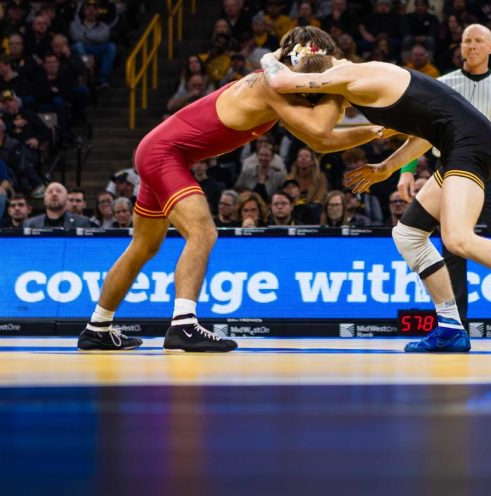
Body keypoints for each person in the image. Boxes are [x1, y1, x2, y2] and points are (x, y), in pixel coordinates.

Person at [79, 27, 383, 352]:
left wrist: (379, 130)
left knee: (143, 246)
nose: (318, 83)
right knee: (203, 233)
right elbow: (322, 132)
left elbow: (319, 140)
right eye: (318, 73)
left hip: (159, 151)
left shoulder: (281, 88)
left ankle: (97, 327)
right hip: (165, 155)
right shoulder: (272, 85)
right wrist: (345, 91)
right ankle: (183, 324)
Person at [264, 49, 491, 353]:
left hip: (469, 144)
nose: (334, 110)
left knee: (458, 238)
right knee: (408, 235)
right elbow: (425, 135)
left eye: (323, 102)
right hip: (460, 143)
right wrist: (387, 167)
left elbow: (279, 82)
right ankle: (451, 327)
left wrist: (272, 56)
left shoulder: (348, 74)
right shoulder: (362, 80)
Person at [397, 24, 491, 330]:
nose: (472, 46)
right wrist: (406, 171)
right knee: (451, 246)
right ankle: (456, 322)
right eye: (467, 41)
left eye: (479, 41)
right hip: (449, 169)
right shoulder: (442, 85)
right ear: (460, 47)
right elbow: (418, 131)